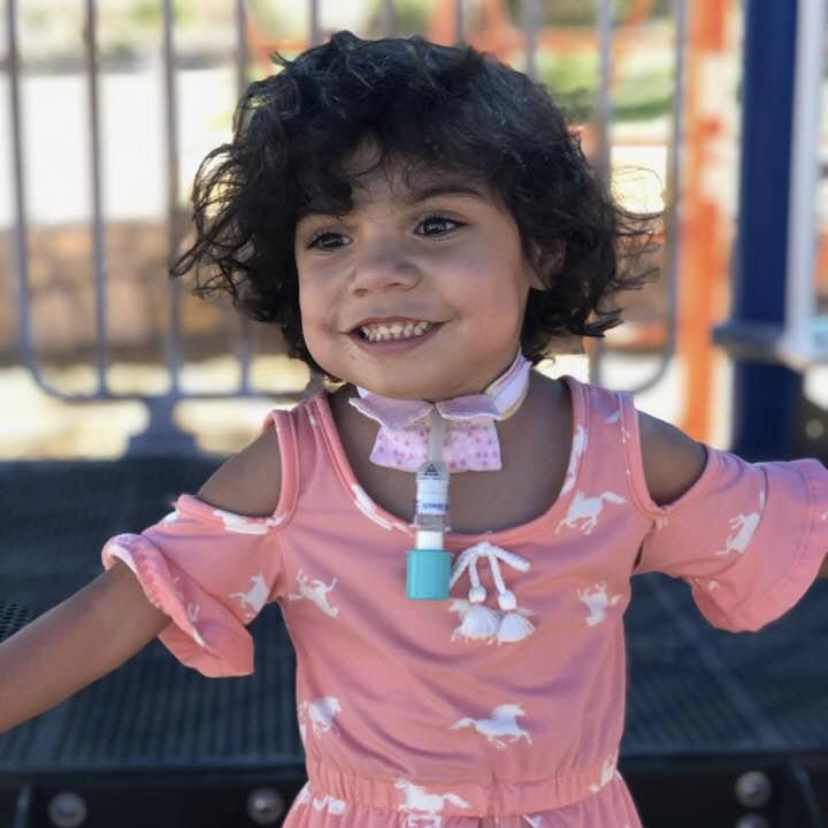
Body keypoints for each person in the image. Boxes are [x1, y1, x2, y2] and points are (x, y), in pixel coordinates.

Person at [1, 31, 827, 828]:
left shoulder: (617, 452)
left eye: (435, 224)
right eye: (330, 238)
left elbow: (792, 524)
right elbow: (115, 613)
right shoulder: (294, 469)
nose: (377, 271)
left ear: (542, 251)